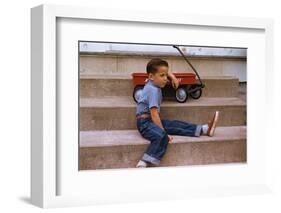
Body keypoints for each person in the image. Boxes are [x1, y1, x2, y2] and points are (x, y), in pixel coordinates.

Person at [135, 58, 219, 168]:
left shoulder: (153, 83)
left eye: (166, 75)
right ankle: (144, 161)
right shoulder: (153, 90)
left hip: (150, 120)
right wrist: (163, 131)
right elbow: (154, 114)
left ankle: (204, 129)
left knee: (175, 124)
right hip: (144, 123)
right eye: (162, 76)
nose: (166, 79)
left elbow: (162, 69)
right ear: (151, 76)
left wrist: (172, 77)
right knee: (162, 136)